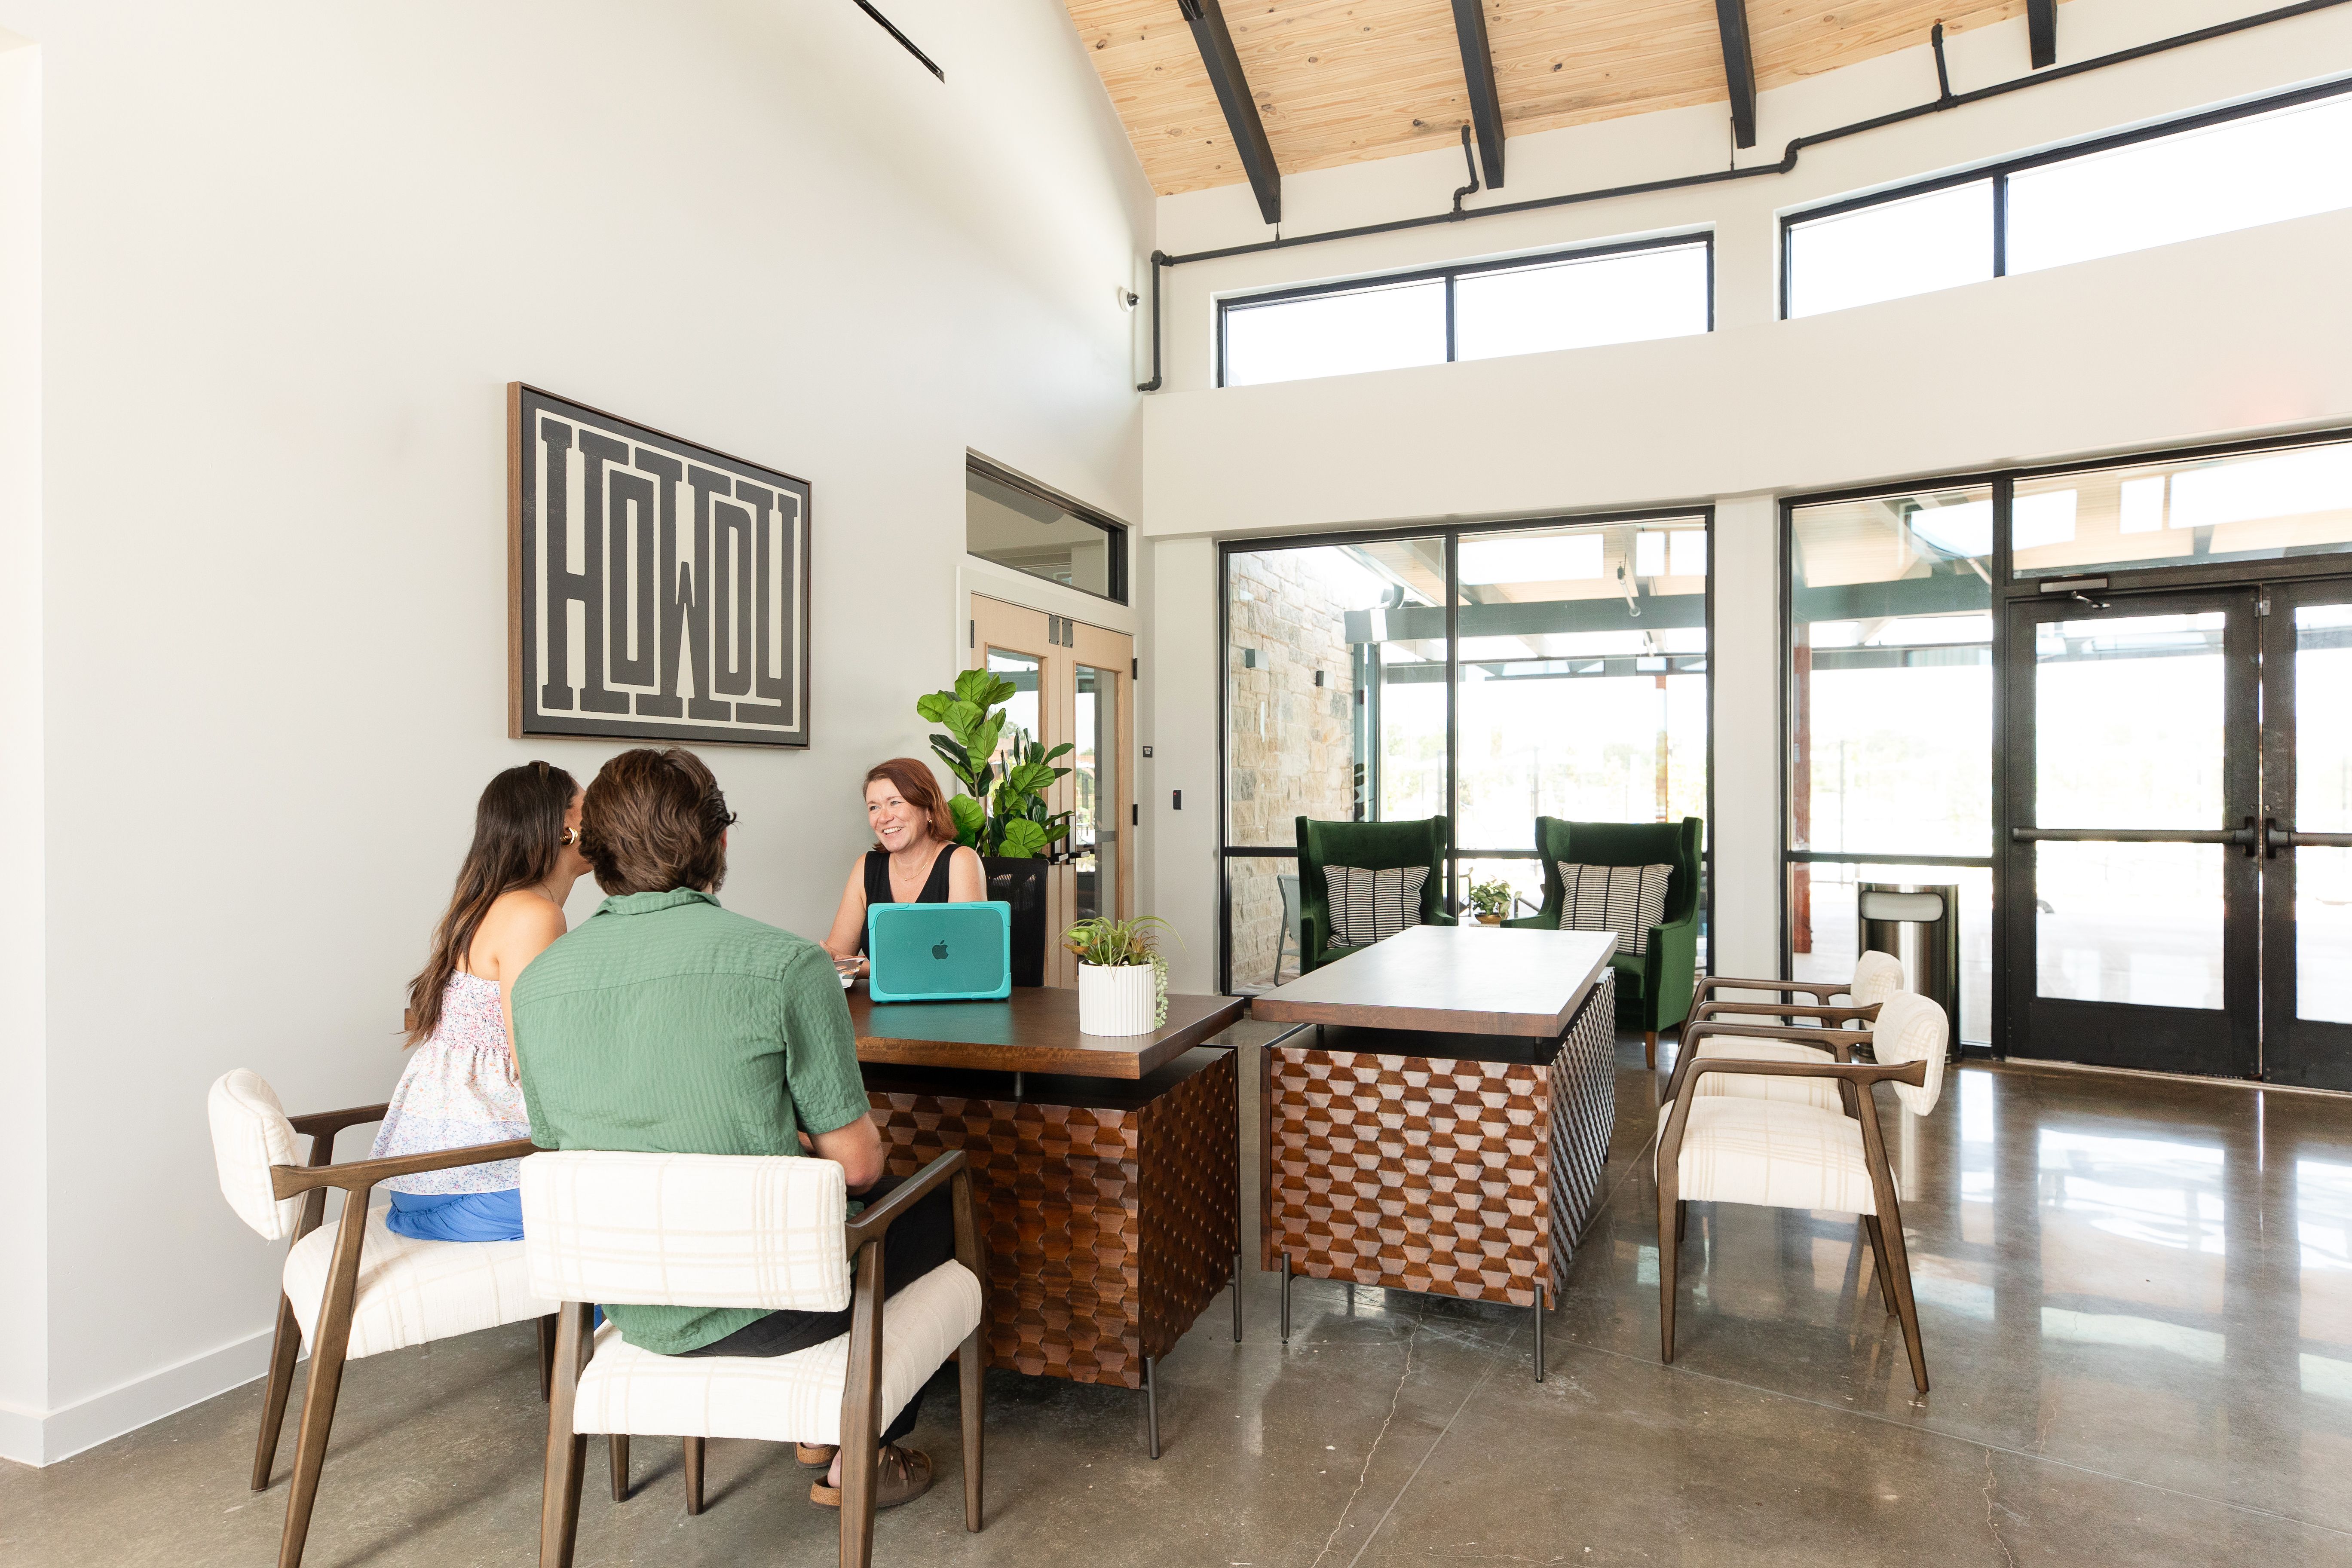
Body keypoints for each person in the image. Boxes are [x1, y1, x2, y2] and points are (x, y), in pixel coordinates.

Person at [511, 746, 956, 1512]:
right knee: (934, 1201)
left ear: (595, 852)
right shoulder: (787, 966)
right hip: (779, 1302)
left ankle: (824, 1431)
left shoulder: (538, 983)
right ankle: (859, 1454)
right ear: (719, 842)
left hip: (630, 1303)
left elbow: (562, 1149)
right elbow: (856, 1167)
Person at [371, 761, 586, 1242]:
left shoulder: (486, 905)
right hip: (473, 1183)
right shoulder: (534, 915)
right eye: (591, 808)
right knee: (634, 1196)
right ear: (564, 828)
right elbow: (536, 1062)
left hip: (426, 1183)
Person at [821, 757, 986, 975]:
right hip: (880, 997)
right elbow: (836, 962)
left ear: (928, 809)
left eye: (895, 803)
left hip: (947, 997)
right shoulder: (866, 867)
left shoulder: (960, 861)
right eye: (874, 807)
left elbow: (963, 962)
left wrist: (865, 968)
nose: (884, 818)